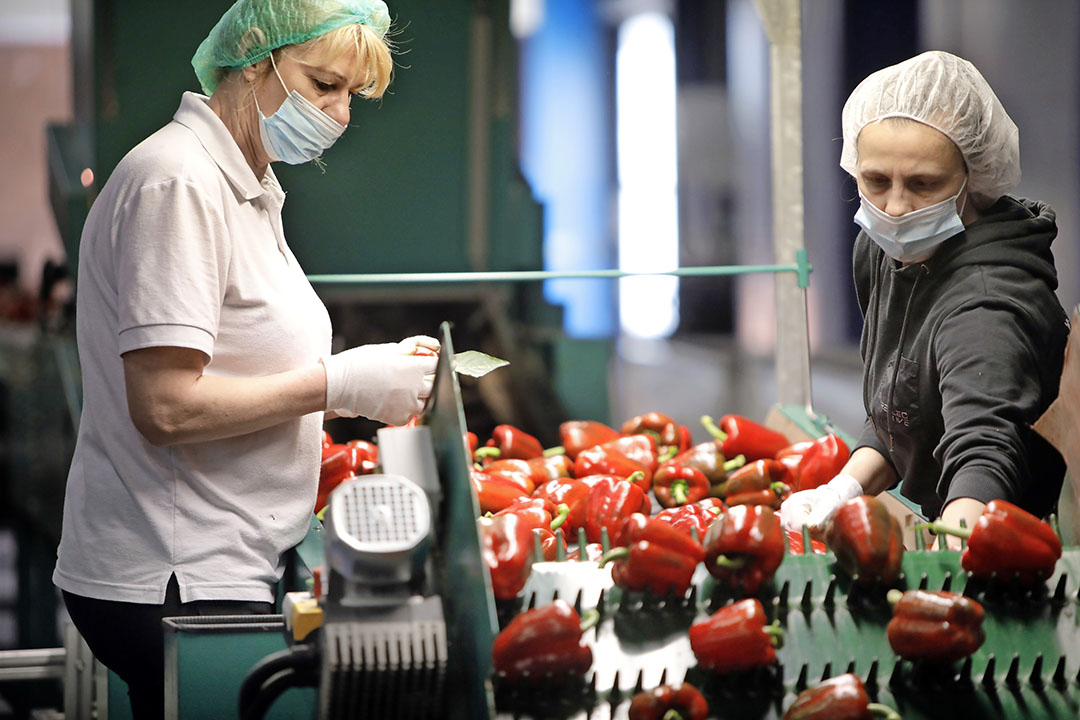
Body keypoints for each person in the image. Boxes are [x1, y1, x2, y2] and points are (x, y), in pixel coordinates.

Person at [52, 1, 435, 717]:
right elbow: (166, 406)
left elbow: (238, 353)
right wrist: (339, 382)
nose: (340, 114)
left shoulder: (246, 185)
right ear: (255, 58)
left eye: (350, 94)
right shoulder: (180, 182)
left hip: (222, 557)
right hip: (175, 574)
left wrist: (350, 388)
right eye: (324, 85)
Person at [780, 50, 1068, 544]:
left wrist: (951, 555)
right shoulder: (879, 250)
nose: (894, 208)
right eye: (875, 180)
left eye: (923, 184)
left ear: (973, 176)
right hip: (936, 516)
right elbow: (903, 403)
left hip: (1011, 548)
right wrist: (845, 486)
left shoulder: (985, 305)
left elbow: (984, 455)